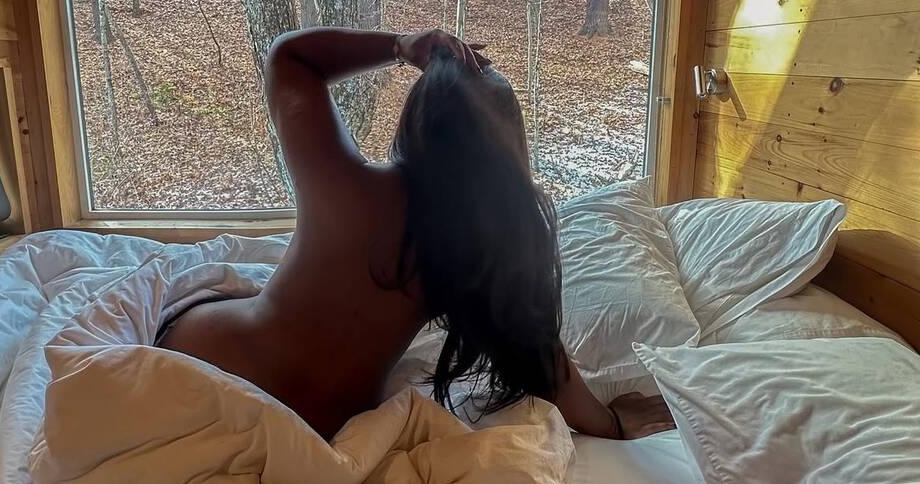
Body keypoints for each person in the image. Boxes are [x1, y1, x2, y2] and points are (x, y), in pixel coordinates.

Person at [157, 27, 675, 441]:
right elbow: (544, 360)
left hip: (205, 363)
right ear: (507, 153)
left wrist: (399, 46)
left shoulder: (344, 186)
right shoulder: (481, 254)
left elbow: (289, 57)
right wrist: (612, 423)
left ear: (416, 120)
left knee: (236, 290)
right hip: (316, 425)